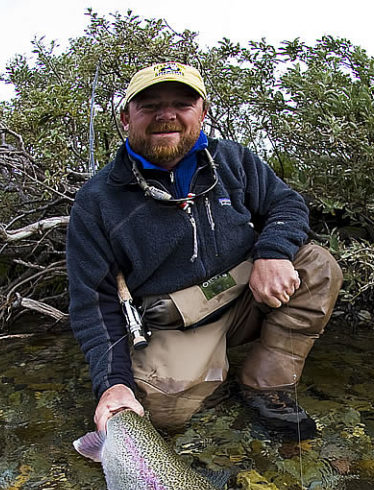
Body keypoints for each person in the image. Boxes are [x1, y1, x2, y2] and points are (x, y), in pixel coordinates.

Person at [66, 61, 343, 439]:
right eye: (149, 106)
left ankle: (266, 383)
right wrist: (113, 383)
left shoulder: (233, 160)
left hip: (246, 294)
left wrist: (273, 252)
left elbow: (287, 205)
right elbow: (93, 304)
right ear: (125, 118)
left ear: (203, 112)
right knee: (159, 412)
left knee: (319, 267)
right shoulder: (96, 201)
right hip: (177, 319)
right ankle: (209, 372)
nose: (167, 116)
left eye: (182, 104)